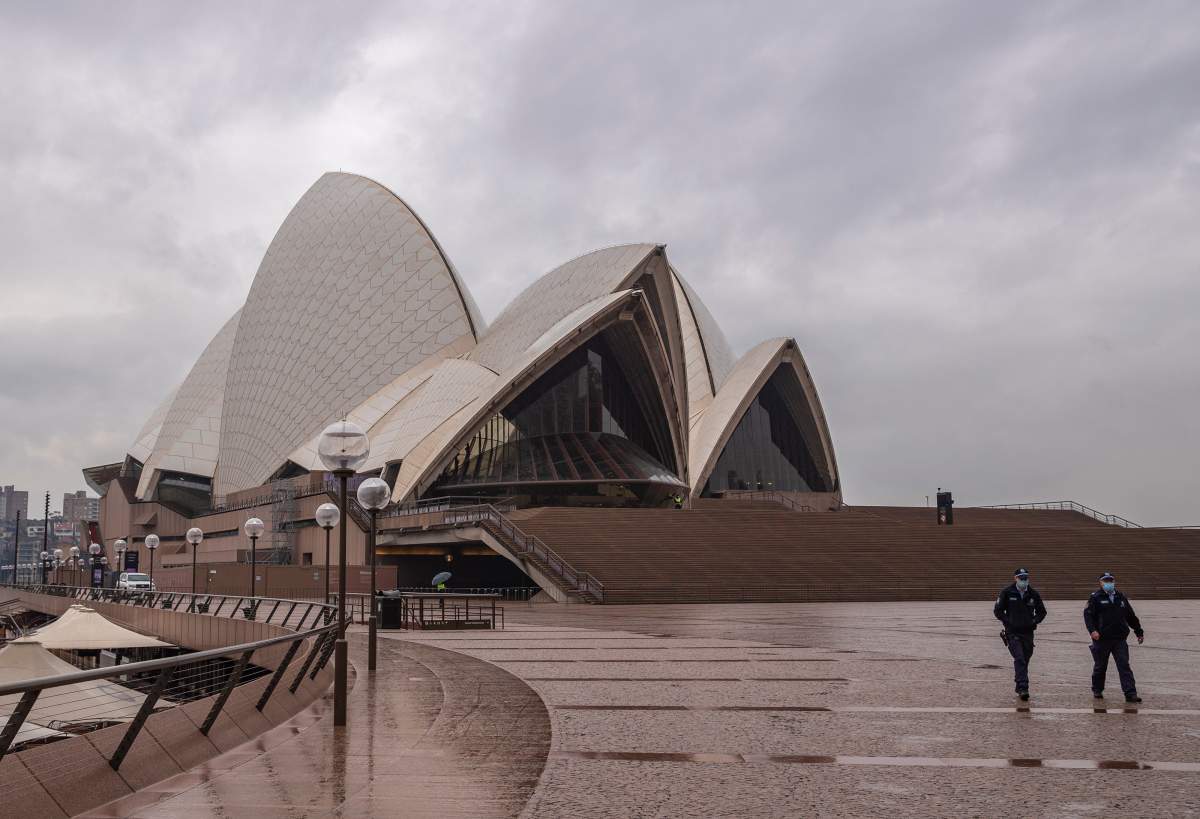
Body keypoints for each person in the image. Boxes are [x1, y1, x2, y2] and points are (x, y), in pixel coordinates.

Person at [1084, 572, 1144, 702]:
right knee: (1100, 666)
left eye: (1110, 580)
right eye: (1106, 581)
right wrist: (1092, 631)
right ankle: (1097, 689)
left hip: (1119, 638)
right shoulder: (1095, 597)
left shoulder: (1120, 597)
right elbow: (1088, 616)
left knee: (1124, 665)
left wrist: (1138, 631)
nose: (1108, 583)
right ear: (1100, 583)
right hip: (1101, 639)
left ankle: (1130, 693)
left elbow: (1130, 616)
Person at [993, 568, 1047, 700]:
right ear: (1015, 578)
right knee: (1020, 658)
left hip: (1028, 633)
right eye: (1021, 578)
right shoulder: (1007, 592)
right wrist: (1008, 622)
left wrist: (1034, 621)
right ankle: (1023, 688)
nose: (1024, 580)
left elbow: (1042, 612)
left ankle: (1019, 684)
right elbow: (998, 611)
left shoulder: (1033, 594)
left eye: (1025, 578)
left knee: (1025, 659)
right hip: (1013, 632)